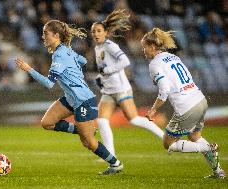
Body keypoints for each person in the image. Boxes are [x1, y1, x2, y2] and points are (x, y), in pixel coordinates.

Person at [15, 19, 123, 175]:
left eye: (46, 33)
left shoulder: (59, 55)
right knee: (47, 122)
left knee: (88, 143)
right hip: (71, 98)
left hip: (83, 99)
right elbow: (84, 60)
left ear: (56, 35)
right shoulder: (65, 50)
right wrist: (72, 59)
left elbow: (48, 83)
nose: (43, 36)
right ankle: (81, 130)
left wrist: (29, 69)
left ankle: (115, 164)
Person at [141, 27, 226, 179]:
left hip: (186, 107)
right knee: (195, 137)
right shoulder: (173, 57)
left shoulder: (155, 64)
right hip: (199, 99)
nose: (143, 50)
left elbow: (164, 90)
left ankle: (208, 148)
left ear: (153, 46)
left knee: (169, 143)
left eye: (144, 47)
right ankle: (218, 171)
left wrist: (153, 109)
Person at [91, 9, 164, 156]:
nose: (96, 34)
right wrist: (100, 78)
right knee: (102, 121)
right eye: (93, 32)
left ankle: (164, 137)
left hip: (121, 89)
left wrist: (108, 71)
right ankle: (110, 156)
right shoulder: (97, 48)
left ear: (105, 32)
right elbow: (104, 69)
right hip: (109, 91)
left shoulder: (110, 46)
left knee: (134, 119)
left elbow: (125, 61)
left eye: (99, 31)